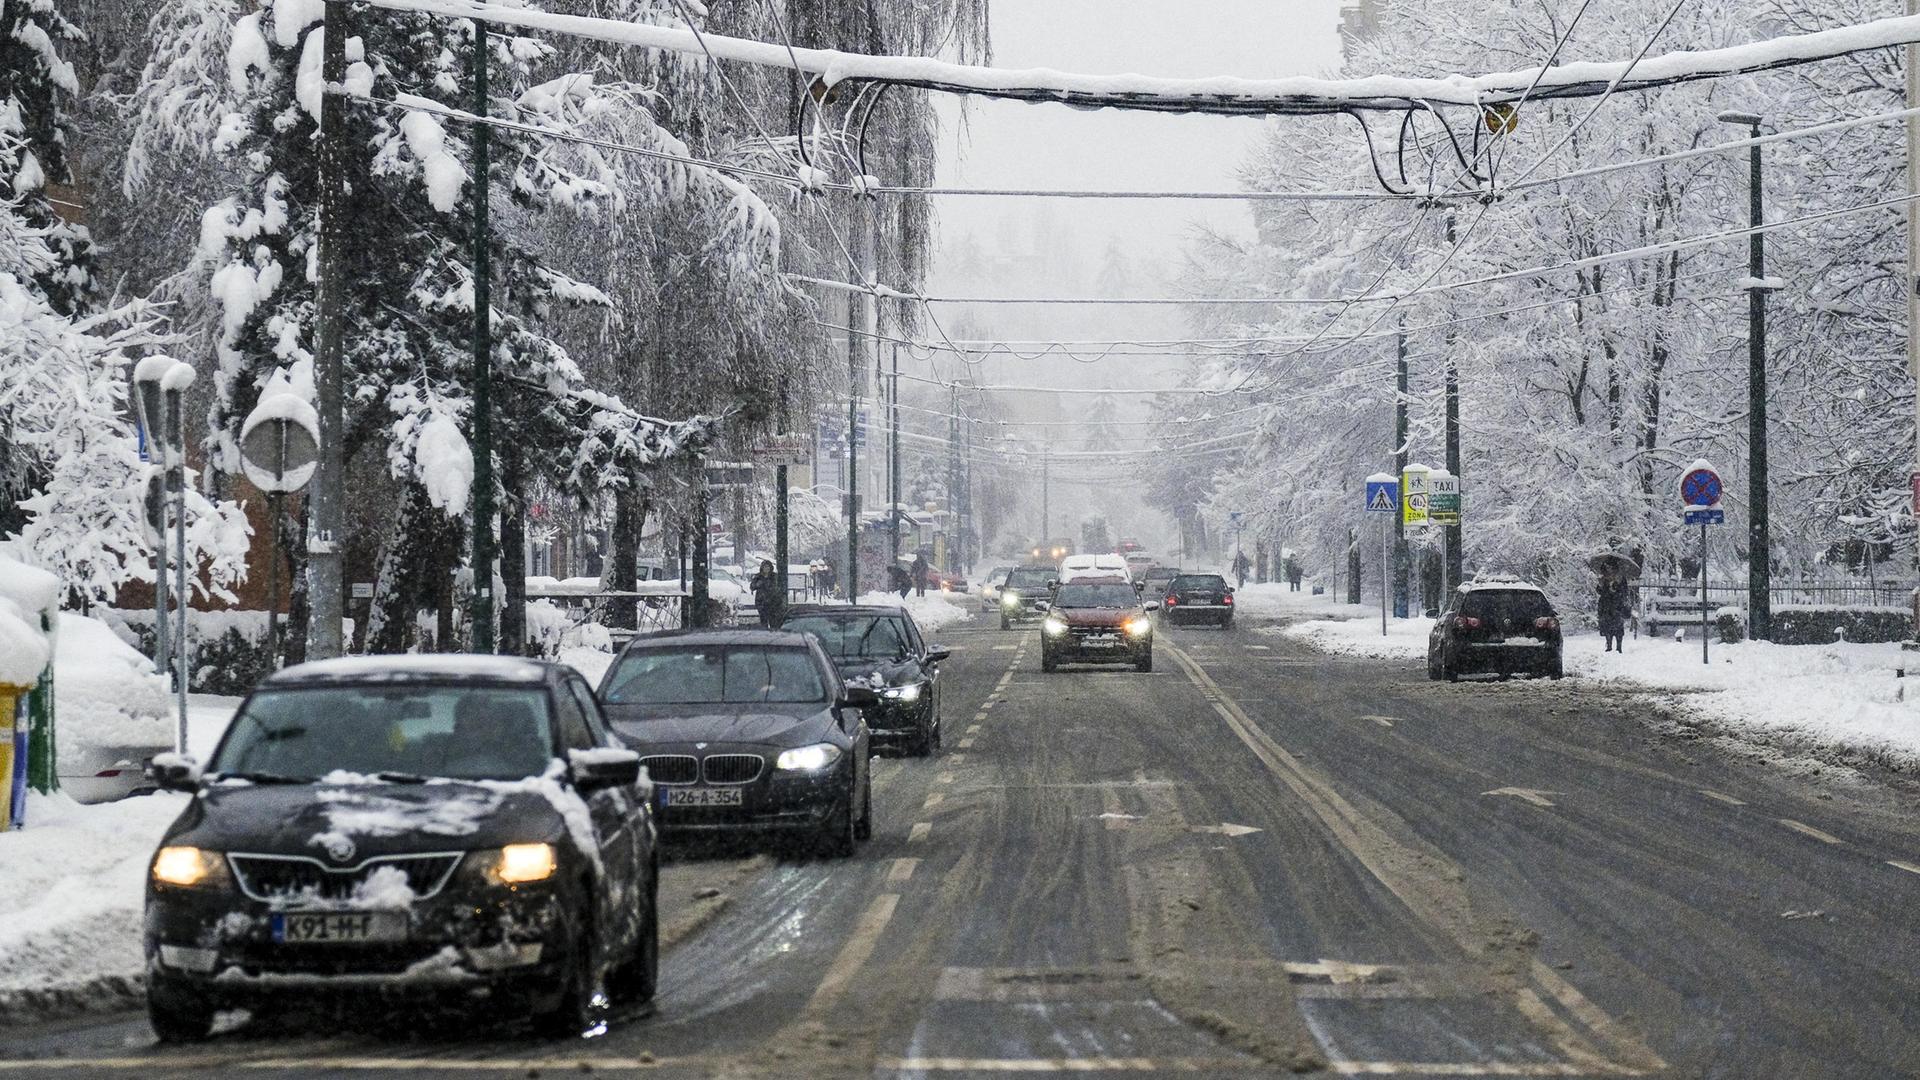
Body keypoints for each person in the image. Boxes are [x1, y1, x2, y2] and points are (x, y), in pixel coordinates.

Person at [1597, 566, 1631, 653]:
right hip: (1606, 606)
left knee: (1618, 627)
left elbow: (1624, 591)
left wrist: (1616, 589)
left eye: (1611, 568)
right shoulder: (1604, 578)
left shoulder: (1621, 578)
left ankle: (1619, 647)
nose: (1610, 570)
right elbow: (1600, 591)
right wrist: (1601, 586)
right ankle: (1609, 645)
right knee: (1607, 627)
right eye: (1608, 568)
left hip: (1617, 606)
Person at [750, 559, 781, 628]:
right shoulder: (758, 576)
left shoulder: (774, 576)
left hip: (772, 603)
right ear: (762, 568)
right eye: (765, 567)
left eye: (768, 567)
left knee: (773, 621)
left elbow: (778, 588)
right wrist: (758, 584)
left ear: (771, 568)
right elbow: (752, 587)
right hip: (761, 603)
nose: (766, 568)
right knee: (763, 621)